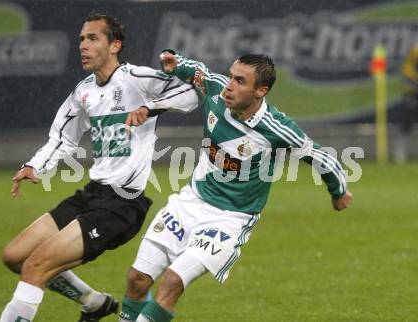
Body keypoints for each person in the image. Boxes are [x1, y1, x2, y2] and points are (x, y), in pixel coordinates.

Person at [118, 50, 353, 321]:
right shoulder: (218, 90)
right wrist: (177, 63)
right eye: (231, 76)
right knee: (137, 279)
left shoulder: (277, 129)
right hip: (190, 201)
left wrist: (339, 192)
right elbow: (200, 72)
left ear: (260, 91)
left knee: (171, 283)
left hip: (229, 220)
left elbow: (320, 157)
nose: (229, 85)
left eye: (240, 81)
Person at [0, 13, 197, 322]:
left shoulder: (136, 78)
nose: (83, 46)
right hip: (92, 195)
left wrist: (150, 107)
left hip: (121, 204)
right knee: (15, 257)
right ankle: (93, 302)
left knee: (36, 266)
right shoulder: (84, 91)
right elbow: (62, 137)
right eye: (81, 39)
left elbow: (189, 93)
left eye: (92, 38)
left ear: (114, 45)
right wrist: (34, 166)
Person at [394, 43, 418, 163]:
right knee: (407, 123)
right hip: (412, 92)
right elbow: (407, 70)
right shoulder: (415, 50)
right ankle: (400, 153)